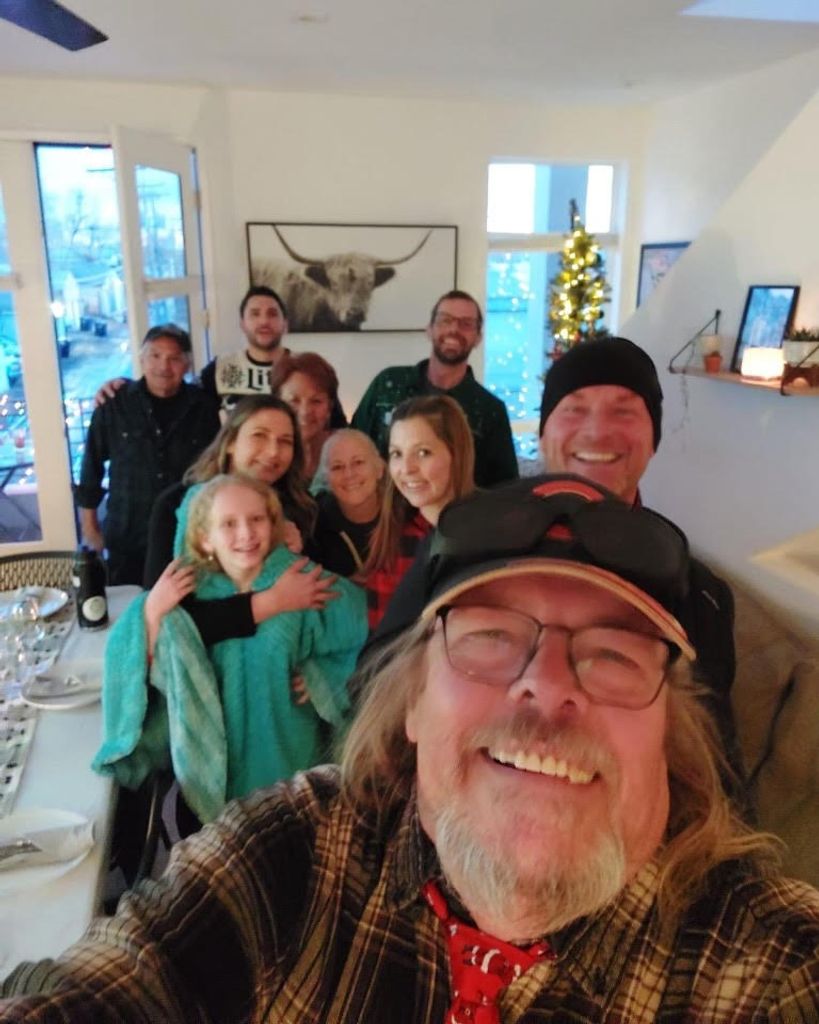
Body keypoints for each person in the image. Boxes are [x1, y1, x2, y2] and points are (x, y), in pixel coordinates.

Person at [4, 475, 818, 1022]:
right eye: (490, 636)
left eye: (612, 654)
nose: (546, 687)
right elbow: (119, 980)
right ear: (412, 706)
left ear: (670, 737)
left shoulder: (761, 964)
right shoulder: (292, 858)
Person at [94, 473, 367, 825]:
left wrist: (324, 676)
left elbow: (361, 639)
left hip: (291, 759)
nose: (246, 533)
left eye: (257, 519)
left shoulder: (302, 581)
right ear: (205, 538)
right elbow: (128, 652)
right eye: (229, 523)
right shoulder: (184, 596)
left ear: (274, 524)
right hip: (212, 773)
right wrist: (151, 614)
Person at [536, 336, 738, 768]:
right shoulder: (473, 553)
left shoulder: (699, 594)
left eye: (623, 411)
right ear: (543, 432)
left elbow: (712, 762)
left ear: (653, 439)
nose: (597, 431)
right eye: (574, 409)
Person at [143, 395, 327, 647]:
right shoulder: (175, 505)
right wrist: (270, 602)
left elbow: (316, 600)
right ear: (230, 441)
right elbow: (164, 618)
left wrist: (299, 553)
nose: (273, 452)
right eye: (259, 435)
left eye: (285, 441)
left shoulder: (300, 507)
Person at [74, 324, 220, 585]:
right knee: (127, 604)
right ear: (141, 359)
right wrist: (90, 527)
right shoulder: (114, 404)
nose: (164, 366)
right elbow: (91, 468)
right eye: (155, 355)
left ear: (187, 365)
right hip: (126, 537)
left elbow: (217, 470)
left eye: (174, 358)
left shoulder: (204, 408)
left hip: (185, 534)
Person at [352, 289, 518, 488]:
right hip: (383, 505)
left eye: (466, 324)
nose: (454, 329)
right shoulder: (387, 384)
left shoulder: (490, 410)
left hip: (456, 508)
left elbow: (504, 489)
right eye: (445, 320)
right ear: (429, 329)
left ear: (478, 338)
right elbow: (353, 446)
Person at [363, 394, 473, 630]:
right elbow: (383, 638)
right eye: (397, 454)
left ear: (456, 453)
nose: (406, 468)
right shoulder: (395, 538)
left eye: (423, 452)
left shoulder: (492, 531)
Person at [200, 286, 290, 414]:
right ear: (242, 324)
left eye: (272, 314)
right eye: (255, 314)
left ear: (285, 324)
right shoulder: (218, 370)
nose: (264, 321)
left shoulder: (304, 369)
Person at [310, 428, 384, 577]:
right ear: (326, 479)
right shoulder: (313, 523)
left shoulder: (407, 514)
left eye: (358, 462)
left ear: (379, 468)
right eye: (337, 467)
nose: (349, 474)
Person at [270, 351, 348, 484]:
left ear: (330, 407)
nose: (305, 412)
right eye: (294, 401)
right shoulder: (268, 453)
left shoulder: (347, 449)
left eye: (316, 401)